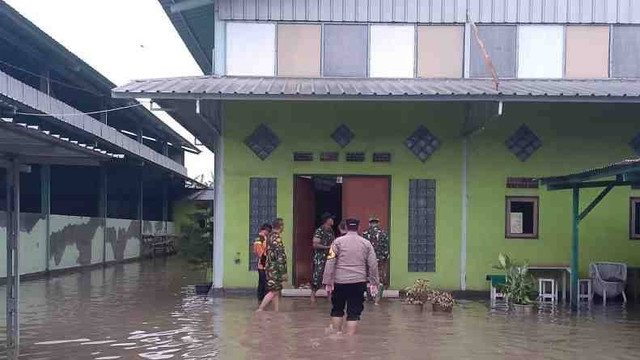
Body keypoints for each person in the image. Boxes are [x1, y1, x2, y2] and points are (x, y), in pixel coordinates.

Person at [323, 218, 379, 336]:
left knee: (337, 310)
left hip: (340, 282)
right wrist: (374, 282)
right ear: (358, 228)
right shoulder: (366, 243)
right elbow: (373, 264)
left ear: (347, 228)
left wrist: (327, 281)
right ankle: (350, 338)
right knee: (354, 312)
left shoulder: (337, 242)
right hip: (358, 282)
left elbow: (330, 261)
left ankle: (337, 334)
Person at [258, 218, 287, 312]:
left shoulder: (269, 236)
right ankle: (260, 309)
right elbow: (280, 256)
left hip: (270, 267)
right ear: (281, 226)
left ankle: (276, 311)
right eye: (283, 226)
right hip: (275, 268)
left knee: (276, 290)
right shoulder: (276, 238)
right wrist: (284, 272)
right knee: (273, 290)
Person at [362, 216, 390, 305]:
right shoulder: (383, 233)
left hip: (368, 261)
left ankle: (370, 297)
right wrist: (385, 259)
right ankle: (377, 299)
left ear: (369, 223)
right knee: (380, 279)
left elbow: (362, 248)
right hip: (380, 261)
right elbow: (386, 249)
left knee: (369, 279)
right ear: (378, 223)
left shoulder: (364, 234)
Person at [311, 212, 335, 303]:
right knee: (317, 276)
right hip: (320, 258)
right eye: (331, 219)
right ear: (327, 220)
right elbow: (315, 244)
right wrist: (327, 247)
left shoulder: (331, 230)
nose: (332, 221)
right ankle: (313, 296)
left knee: (329, 277)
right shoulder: (319, 230)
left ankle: (329, 297)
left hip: (329, 257)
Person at [253, 223, 272, 302]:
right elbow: (258, 251)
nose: (269, 233)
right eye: (269, 231)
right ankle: (263, 300)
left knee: (262, 283)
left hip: (263, 264)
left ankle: (261, 300)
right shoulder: (260, 238)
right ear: (266, 230)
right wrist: (264, 261)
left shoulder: (263, 238)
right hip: (263, 265)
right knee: (264, 283)